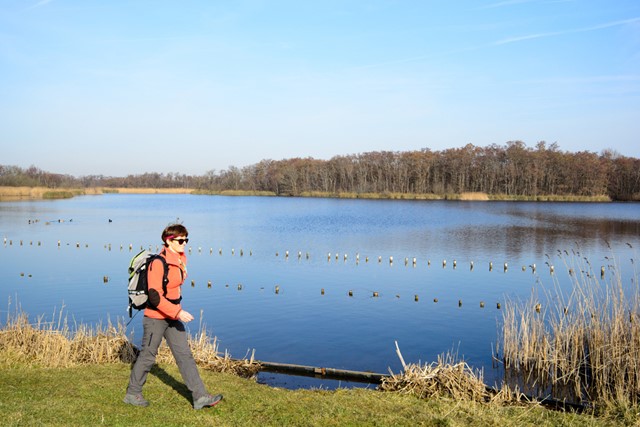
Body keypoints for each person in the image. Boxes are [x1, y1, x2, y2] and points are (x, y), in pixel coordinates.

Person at [124, 223, 223, 409]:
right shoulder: (158, 263)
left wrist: (176, 313)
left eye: (186, 239)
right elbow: (154, 296)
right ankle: (132, 393)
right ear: (168, 241)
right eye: (180, 240)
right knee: (147, 356)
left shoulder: (178, 260)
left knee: (185, 355)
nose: (184, 243)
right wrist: (178, 312)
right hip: (155, 318)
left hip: (172, 318)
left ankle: (200, 397)